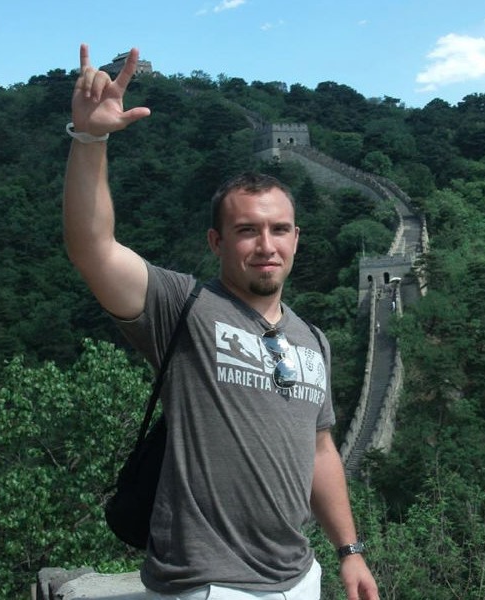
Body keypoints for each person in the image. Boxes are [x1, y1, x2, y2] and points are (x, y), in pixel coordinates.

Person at [63, 44, 379, 600]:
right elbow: (92, 247)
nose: (266, 245)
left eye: (280, 229)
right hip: (208, 584)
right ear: (216, 241)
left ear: (296, 239)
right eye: (247, 231)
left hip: (300, 577)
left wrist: (348, 551)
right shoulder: (181, 307)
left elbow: (320, 450)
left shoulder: (314, 340)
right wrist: (91, 139)